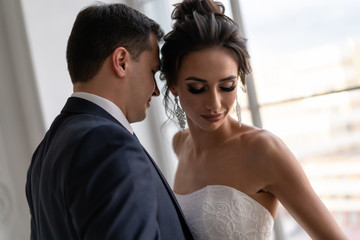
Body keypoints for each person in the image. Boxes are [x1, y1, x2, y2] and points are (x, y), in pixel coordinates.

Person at [160, 0, 348, 239]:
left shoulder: (263, 150)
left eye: (227, 86)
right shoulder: (180, 144)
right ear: (173, 84)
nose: (215, 104)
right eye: (198, 88)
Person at [25, 3, 194, 240]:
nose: (156, 91)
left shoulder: (44, 154)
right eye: (153, 71)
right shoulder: (109, 144)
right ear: (122, 61)